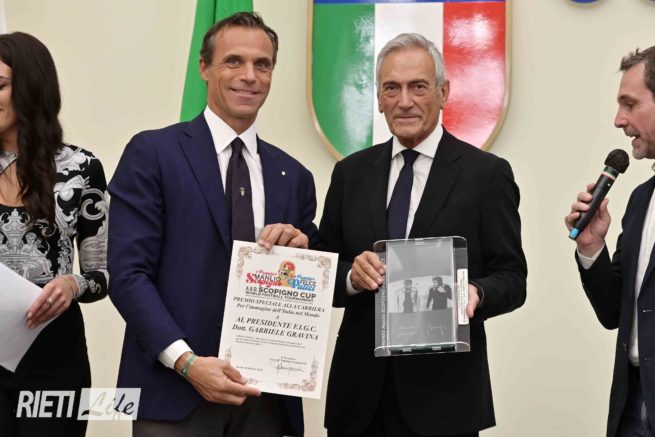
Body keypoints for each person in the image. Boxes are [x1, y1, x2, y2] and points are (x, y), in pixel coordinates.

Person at [108, 12, 317, 437]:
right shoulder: (153, 153)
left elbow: (306, 282)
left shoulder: (294, 176)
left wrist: (302, 254)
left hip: (264, 403)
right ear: (204, 68)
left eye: (262, 64)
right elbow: (128, 275)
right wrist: (186, 362)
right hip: (172, 394)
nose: (249, 76)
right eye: (233, 61)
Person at [318, 33, 527, 437]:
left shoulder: (486, 175)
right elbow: (323, 269)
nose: (404, 101)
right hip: (357, 401)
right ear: (379, 98)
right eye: (391, 88)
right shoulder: (350, 174)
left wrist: (475, 293)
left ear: (443, 93)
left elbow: (513, 278)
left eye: (418, 87)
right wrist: (351, 277)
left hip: (445, 402)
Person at [0, 32, 108, 436]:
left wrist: (71, 284)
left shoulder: (82, 168)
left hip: (54, 360)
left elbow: (102, 275)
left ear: (30, 87)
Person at [565, 45, 655, 437]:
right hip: (634, 407)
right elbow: (613, 312)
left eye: (630, 104)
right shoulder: (640, 200)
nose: (619, 120)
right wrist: (590, 247)